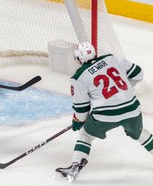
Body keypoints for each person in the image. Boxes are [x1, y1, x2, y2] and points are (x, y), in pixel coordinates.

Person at [55, 42, 153, 182]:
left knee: (85, 136)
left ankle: (75, 168)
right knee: (142, 134)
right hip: (132, 109)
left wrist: (78, 120)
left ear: (78, 59)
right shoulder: (111, 58)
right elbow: (138, 74)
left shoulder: (78, 77)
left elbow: (82, 111)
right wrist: (123, 93)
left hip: (106, 116)